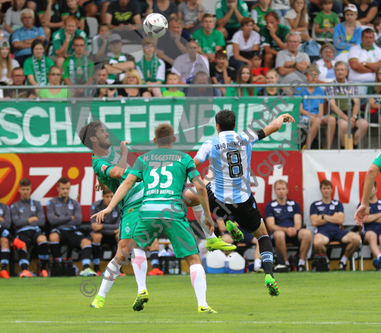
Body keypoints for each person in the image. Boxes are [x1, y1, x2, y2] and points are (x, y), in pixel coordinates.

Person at [80, 121, 232, 309]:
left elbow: (119, 176)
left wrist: (102, 183)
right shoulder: (99, 161)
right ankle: (105, 295)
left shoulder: (115, 155)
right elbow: (119, 174)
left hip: (150, 199)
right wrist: (124, 155)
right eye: (102, 131)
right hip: (134, 206)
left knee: (192, 197)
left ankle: (210, 237)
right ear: (93, 139)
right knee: (124, 251)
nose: (107, 133)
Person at [193, 110, 295, 296]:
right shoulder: (246, 137)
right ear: (234, 126)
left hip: (220, 201)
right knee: (263, 236)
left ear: (217, 126)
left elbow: (193, 165)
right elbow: (274, 126)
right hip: (244, 201)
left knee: (206, 182)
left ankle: (225, 219)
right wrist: (282, 117)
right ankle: (269, 275)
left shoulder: (210, 144)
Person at [47, 177, 96, 277]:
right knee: (53, 237)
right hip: (59, 231)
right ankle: (58, 265)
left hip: (72, 230)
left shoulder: (75, 203)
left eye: (67, 188)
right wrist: (70, 217)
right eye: (63, 188)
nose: (65, 191)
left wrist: (59, 218)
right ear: (58, 188)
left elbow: (78, 220)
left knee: (86, 242)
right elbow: (52, 220)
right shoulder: (51, 203)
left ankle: (86, 269)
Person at [310, 179, 361, 270]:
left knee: (357, 239)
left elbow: (340, 220)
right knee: (317, 243)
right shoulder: (315, 205)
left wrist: (322, 216)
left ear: (331, 190)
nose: (326, 190)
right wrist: (332, 217)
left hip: (337, 231)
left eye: (328, 188)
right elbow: (314, 222)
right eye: (324, 188)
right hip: (323, 232)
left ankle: (343, 261)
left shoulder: (337, 204)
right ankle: (325, 261)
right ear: (320, 190)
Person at [265, 180, 311, 271]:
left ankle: (301, 264)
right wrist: (286, 230)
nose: (281, 191)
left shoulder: (294, 205)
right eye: (278, 189)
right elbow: (271, 226)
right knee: (279, 234)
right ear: (275, 191)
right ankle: (285, 263)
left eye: (283, 189)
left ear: (287, 190)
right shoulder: (270, 206)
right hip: (278, 234)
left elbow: (298, 223)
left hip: (294, 232)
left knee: (307, 233)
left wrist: (293, 229)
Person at [10, 178, 49, 278]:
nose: (25, 192)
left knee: (43, 239)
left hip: (35, 231)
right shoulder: (14, 206)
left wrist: (25, 220)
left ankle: (43, 269)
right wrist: (32, 219)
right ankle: (25, 270)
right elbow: (16, 222)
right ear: (19, 190)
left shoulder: (37, 204)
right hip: (22, 232)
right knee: (21, 244)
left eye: (27, 189)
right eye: (23, 189)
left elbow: (41, 221)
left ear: (31, 189)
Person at [326, 61, 368, 149]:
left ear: (346, 72)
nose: (340, 72)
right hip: (338, 114)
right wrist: (347, 119)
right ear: (334, 72)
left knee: (364, 124)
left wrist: (353, 117)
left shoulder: (352, 85)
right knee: (344, 125)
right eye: (337, 70)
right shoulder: (330, 86)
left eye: (342, 69)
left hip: (353, 113)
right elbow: (333, 106)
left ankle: (354, 146)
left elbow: (356, 103)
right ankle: (344, 147)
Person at [296, 65, 336, 149]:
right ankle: (307, 148)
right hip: (303, 116)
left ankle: (328, 149)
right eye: (311, 74)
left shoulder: (320, 90)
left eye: (315, 75)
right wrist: (315, 116)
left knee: (331, 119)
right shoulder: (299, 89)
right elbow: (300, 110)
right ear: (306, 76)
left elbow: (321, 109)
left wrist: (320, 116)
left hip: (316, 116)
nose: (313, 77)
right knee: (317, 121)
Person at [90, 188, 120, 274]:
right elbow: (95, 227)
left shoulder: (118, 206)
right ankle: (97, 268)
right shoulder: (96, 206)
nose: (110, 199)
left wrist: (102, 226)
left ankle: (117, 268)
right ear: (102, 196)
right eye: (107, 197)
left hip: (111, 235)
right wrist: (112, 230)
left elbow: (118, 226)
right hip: (102, 235)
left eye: (112, 196)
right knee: (96, 236)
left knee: (119, 236)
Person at [348, 28, 381, 98]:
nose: (368, 39)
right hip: (358, 82)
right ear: (361, 38)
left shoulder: (379, 51)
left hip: (376, 82)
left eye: (370, 37)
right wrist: (375, 69)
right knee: (359, 97)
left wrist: (365, 64)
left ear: (374, 39)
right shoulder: (354, 49)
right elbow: (355, 66)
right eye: (366, 37)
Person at [357, 182, 381, 270]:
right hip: (368, 229)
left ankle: (379, 261)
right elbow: (364, 219)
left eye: (372, 187)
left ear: (376, 189)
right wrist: (379, 215)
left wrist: (371, 217)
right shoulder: (362, 205)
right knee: (371, 236)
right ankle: (380, 258)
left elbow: (368, 218)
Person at [0, 201, 26, 278]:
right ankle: (14, 240)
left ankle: (3, 270)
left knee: (4, 241)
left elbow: (7, 224)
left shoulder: (4, 207)